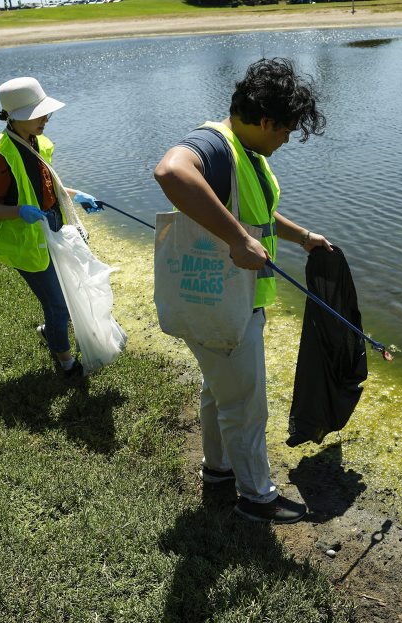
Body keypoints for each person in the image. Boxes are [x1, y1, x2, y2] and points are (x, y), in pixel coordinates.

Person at [153, 58, 332, 524]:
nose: (287, 140)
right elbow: (170, 172)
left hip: (225, 302)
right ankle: (256, 497)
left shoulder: (245, 153)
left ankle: (218, 470)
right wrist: (236, 240)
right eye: (286, 130)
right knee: (247, 406)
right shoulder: (215, 145)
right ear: (266, 121)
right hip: (224, 305)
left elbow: (256, 216)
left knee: (220, 392)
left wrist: (302, 237)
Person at [0, 76, 102, 378]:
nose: (46, 119)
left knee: (68, 295)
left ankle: (49, 332)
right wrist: (20, 211)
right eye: (39, 114)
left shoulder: (37, 142)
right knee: (58, 305)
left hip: (53, 229)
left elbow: (47, 188)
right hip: (26, 240)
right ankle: (67, 363)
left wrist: (77, 196)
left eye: (46, 113)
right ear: (16, 117)